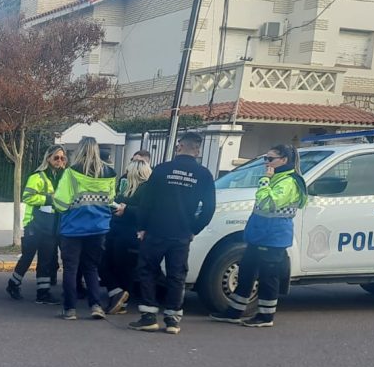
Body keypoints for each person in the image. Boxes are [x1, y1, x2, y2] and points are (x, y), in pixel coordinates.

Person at [210, 144, 307, 328]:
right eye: (265, 159)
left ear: (284, 160)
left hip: (273, 236)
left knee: (268, 277)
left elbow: (266, 203)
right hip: (260, 234)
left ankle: (265, 316)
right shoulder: (278, 179)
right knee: (246, 273)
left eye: (270, 159)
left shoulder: (288, 182)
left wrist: (264, 180)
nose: (266, 163)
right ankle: (234, 312)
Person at [129, 132, 216, 334]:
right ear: (198, 150)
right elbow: (209, 207)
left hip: (156, 230)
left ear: (179, 147)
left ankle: (149, 316)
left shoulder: (161, 170)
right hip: (182, 233)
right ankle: (173, 319)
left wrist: (141, 227)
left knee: (147, 270)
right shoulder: (203, 174)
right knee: (177, 275)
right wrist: (194, 228)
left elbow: (146, 201)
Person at [52, 136, 117, 320]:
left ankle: (70, 309)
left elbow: (60, 202)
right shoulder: (109, 172)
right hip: (99, 228)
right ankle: (96, 306)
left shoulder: (71, 173)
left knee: (71, 269)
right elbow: (110, 199)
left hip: (73, 228)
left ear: (79, 151)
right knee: (91, 268)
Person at [6, 145, 68, 304]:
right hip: (34, 224)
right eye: (56, 157)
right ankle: (13, 284)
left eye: (62, 158)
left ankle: (43, 293)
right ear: (48, 158)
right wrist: (48, 199)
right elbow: (27, 197)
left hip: (51, 225)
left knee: (46, 260)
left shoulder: (63, 177)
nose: (59, 161)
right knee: (27, 257)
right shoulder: (38, 176)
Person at [101, 158, 151, 314]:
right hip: (117, 230)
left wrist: (126, 209)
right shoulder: (126, 186)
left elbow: (146, 211)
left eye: (129, 171)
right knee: (110, 264)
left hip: (128, 233)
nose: (126, 173)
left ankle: (120, 299)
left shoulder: (145, 189)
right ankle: (118, 295)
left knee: (122, 267)